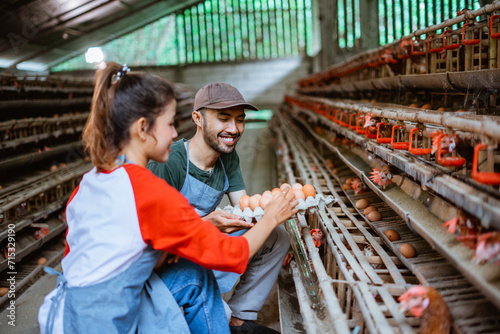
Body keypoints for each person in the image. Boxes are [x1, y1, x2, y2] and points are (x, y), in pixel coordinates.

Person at [38, 63, 298, 334]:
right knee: (201, 276)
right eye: (170, 124)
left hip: (64, 309)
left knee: (194, 276)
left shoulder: (97, 177)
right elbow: (232, 255)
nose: (175, 134)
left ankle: (229, 321)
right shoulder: (151, 192)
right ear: (142, 129)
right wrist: (271, 218)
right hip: (102, 322)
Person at [148, 82, 291, 334]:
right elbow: (154, 243)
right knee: (215, 313)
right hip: (169, 259)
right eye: (223, 119)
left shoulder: (228, 157)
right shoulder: (170, 162)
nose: (234, 129)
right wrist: (206, 225)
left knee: (277, 237)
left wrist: (272, 208)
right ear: (198, 118)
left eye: (240, 120)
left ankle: (240, 316)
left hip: (201, 245)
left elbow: (245, 208)